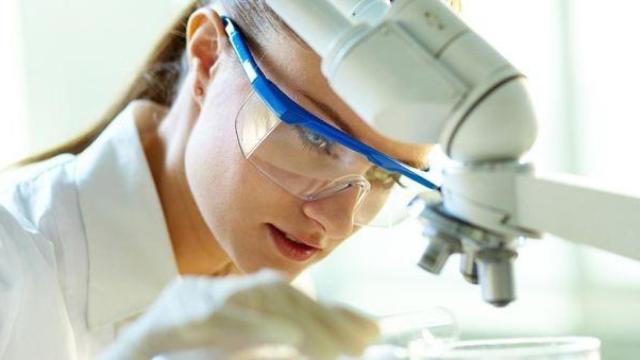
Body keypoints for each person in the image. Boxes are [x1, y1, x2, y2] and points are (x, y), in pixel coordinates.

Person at [0, 0, 455, 358]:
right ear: (207, 58)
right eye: (315, 140)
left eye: (383, 174)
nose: (336, 223)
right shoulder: (14, 266)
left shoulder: (269, 297)